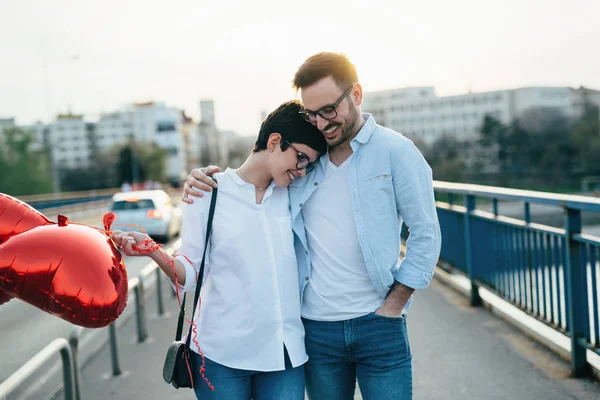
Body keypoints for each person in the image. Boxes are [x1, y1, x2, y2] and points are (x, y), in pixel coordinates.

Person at [183, 52, 442, 400]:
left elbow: (426, 235)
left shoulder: (396, 152)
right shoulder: (306, 165)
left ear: (357, 95)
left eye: (329, 110)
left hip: (380, 325)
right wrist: (201, 180)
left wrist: (393, 305)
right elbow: (254, 178)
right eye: (312, 114)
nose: (321, 123)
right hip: (316, 333)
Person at [111, 100, 327, 400]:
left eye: (309, 164)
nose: (303, 171)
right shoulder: (209, 192)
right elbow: (189, 275)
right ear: (275, 142)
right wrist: (152, 251)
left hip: (284, 351)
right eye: (301, 158)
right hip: (221, 355)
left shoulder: (294, 193)